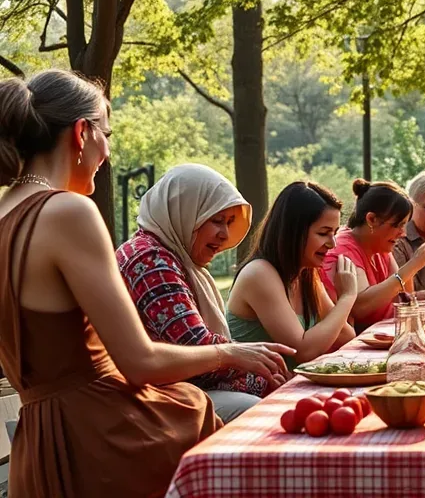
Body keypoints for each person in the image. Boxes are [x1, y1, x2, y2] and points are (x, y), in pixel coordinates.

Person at [0, 70, 290, 498]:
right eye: (108, 134)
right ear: (82, 133)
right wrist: (229, 352)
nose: (108, 152)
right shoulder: (68, 212)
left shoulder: (6, 216)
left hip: (39, 442)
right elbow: (139, 362)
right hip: (105, 437)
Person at [117, 163, 282, 422]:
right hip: (154, 397)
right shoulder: (150, 259)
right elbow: (197, 355)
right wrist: (261, 376)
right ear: (183, 211)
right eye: (216, 221)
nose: (224, 235)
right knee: (257, 410)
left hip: (176, 387)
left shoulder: (171, 256)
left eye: (229, 223)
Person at [227, 181, 357, 370]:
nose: (333, 244)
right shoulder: (259, 274)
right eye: (323, 233)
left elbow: (345, 336)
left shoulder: (305, 274)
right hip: (252, 395)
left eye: (335, 233)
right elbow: (302, 351)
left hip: (288, 387)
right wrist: (347, 297)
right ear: (292, 232)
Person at [321, 179, 425, 334]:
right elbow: (360, 308)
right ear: (371, 219)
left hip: (388, 337)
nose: (403, 233)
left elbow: (404, 298)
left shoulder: (380, 247)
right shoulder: (343, 250)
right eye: (397, 225)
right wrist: (414, 264)